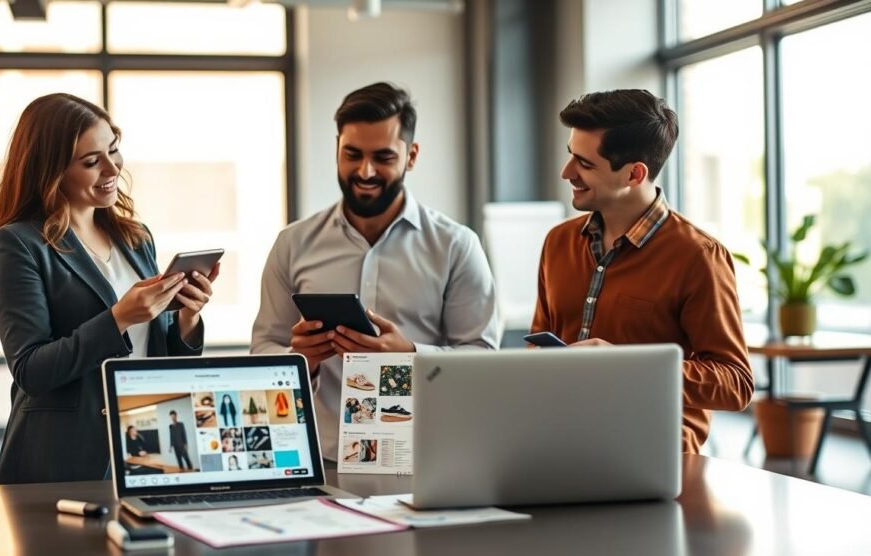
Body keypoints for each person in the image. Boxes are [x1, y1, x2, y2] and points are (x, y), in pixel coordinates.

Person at [251, 82, 501, 459]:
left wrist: (411, 354)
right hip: (319, 457)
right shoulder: (292, 244)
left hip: (424, 457)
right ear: (337, 149)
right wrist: (301, 359)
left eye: (383, 157)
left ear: (411, 155)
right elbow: (262, 353)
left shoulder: (456, 246)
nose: (365, 171)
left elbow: (483, 359)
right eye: (352, 154)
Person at [0, 93, 218, 484]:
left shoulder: (135, 238)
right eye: (91, 161)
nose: (112, 168)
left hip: (148, 450)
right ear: (51, 171)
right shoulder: (19, 244)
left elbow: (160, 355)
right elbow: (31, 370)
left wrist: (188, 316)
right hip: (63, 457)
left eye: (114, 150)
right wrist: (119, 317)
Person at [531, 89, 754, 453]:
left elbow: (736, 384)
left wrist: (626, 368)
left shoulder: (698, 257)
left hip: (653, 453)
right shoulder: (558, 243)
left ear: (634, 174)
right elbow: (539, 344)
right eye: (571, 155)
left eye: (585, 164)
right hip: (557, 440)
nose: (566, 172)